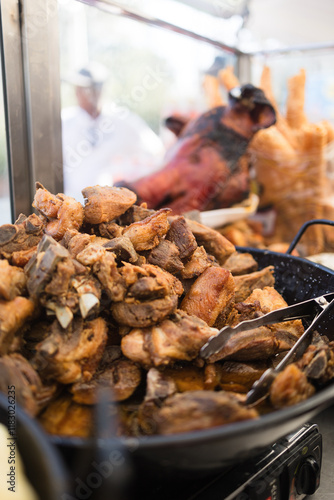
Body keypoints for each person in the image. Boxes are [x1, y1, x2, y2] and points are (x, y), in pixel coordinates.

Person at [61, 62, 165, 201]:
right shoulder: (64, 122)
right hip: (68, 204)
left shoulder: (122, 122)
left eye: (92, 89)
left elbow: (157, 151)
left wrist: (133, 187)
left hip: (105, 206)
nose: (84, 94)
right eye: (81, 89)